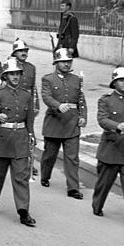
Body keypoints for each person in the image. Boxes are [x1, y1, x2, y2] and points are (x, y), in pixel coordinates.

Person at [91, 66, 124, 230]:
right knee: (104, 183)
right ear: (114, 83)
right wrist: (116, 126)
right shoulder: (105, 100)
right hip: (111, 148)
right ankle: (97, 205)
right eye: (122, 80)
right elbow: (102, 120)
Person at [0, 58, 36, 227]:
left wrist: (31, 135)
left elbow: (29, 119)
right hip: (2, 138)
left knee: (21, 176)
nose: (15, 77)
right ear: (5, 76)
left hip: (20, 138)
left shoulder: (26, 95)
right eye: (11, 74)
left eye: (17, 74)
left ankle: (23, 211)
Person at [39, 48, 86, 199]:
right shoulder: (48, 79)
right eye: (63, 62)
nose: (66, 64)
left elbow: (81, 100)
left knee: (72, 158)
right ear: (56, 63)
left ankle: (73, 188)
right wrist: (57, 105)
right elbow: (46, 96)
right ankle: (45, 176)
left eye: (68, 61)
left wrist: (83, 116)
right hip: (55, 122)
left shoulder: (76, 79)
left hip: (72, 123)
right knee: (49, 155)